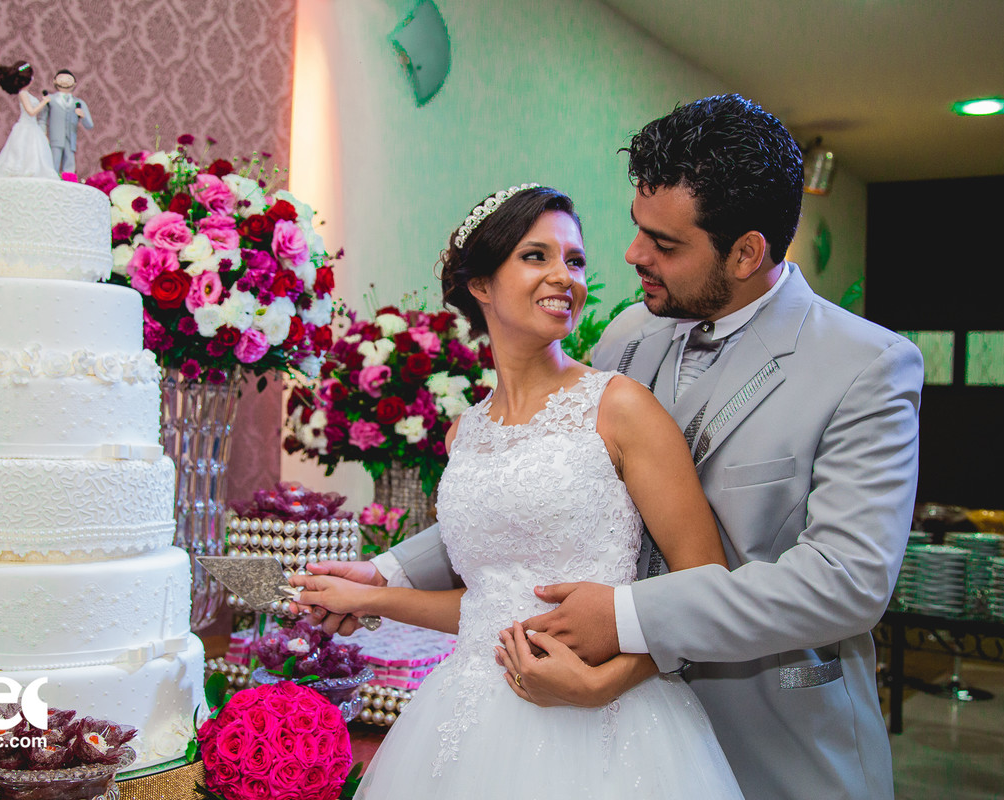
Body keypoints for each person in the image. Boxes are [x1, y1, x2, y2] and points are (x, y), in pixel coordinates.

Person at [307, 95, 924, 800]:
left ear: (748, 251)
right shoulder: (632, 332)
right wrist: (387, 573)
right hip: (594, 737)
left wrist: (627, 622)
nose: (632, 256)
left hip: (771, 739)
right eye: (637, 230)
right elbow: (545, 494)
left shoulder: (865, 366)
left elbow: (843, 585)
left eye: (664, 244)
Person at [292, 185, 744, 798]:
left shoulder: (620, 408)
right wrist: (368, 597)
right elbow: (489, 606)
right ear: (481, 283)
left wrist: (608, 682)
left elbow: (704, 585)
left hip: (612, 724)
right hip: (470, 713)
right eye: (537, 256)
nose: (565, 276)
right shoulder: (464, 433)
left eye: (575, 260)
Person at [0, 61, 57, 180]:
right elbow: (31, 111)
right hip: (26, 127)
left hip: (33, 127)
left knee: (34, 153)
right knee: (22, 151)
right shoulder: (23, 94)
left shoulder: (26, 94)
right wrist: (44, 102)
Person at [37, 69, 93, 174]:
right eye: (61, 79)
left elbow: (89, 125)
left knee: (70, 164)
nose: (65, 82)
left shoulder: (79, 103)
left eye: (68, 79)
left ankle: (69, 182)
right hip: (55, 139)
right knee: (54, 162)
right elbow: (42, 119)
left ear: (74, 83)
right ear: (54, 81)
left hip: (70, 139)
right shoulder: (50, 100)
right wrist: (42, 135)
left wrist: (83, 115)